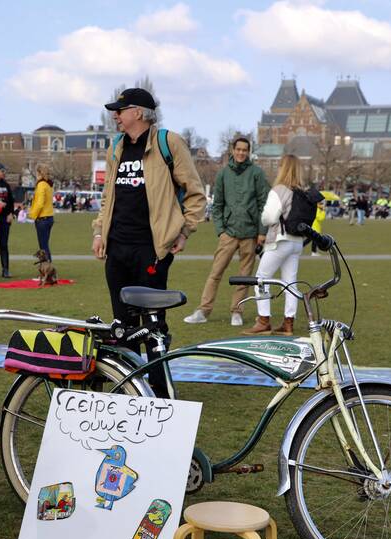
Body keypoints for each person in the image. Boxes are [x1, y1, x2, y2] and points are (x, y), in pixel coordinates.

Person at [92, 87, 206, 397]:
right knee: (122, 324)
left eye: (121, 109)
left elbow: (195, 194)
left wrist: (184, 232)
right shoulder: (116, 146)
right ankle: (131, 388)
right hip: (117, 248)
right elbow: (107, 198)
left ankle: (159, 389)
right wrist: (100, 231)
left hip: (151, 251)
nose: (115, 115)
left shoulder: (168, 143)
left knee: (154, 326)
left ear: (139, 113)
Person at [183, 136, 268, 326]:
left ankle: (236, 311)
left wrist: (262, 232)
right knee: (215, 273)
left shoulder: (257, 173)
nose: (241, 153)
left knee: (245, 277)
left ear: (249, 152)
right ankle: (203, 311)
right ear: (233, 150)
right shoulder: (223, 174)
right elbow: (217, 205)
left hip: (250, 234)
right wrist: (220, 230)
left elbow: (264, 203)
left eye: (245, 150)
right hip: (228, 233)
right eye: (238, 149)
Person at [241, 154, 306, 337]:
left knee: (262, 278)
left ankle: (263, 321)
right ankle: (288, 323)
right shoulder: (301, 190)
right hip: (297, 242)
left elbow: (269, 217)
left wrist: (265, 220)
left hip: (280, 240)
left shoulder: (279, 190)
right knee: (290, 282)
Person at [28, 164, 55, 262]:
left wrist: (33, 215)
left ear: (39, 173)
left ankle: (46, 267)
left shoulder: (41, 185)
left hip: (42, 218)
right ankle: (48, 265)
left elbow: (40, 203)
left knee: (43, 246)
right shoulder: (49, 184)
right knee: (45, 245)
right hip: (49, 217)